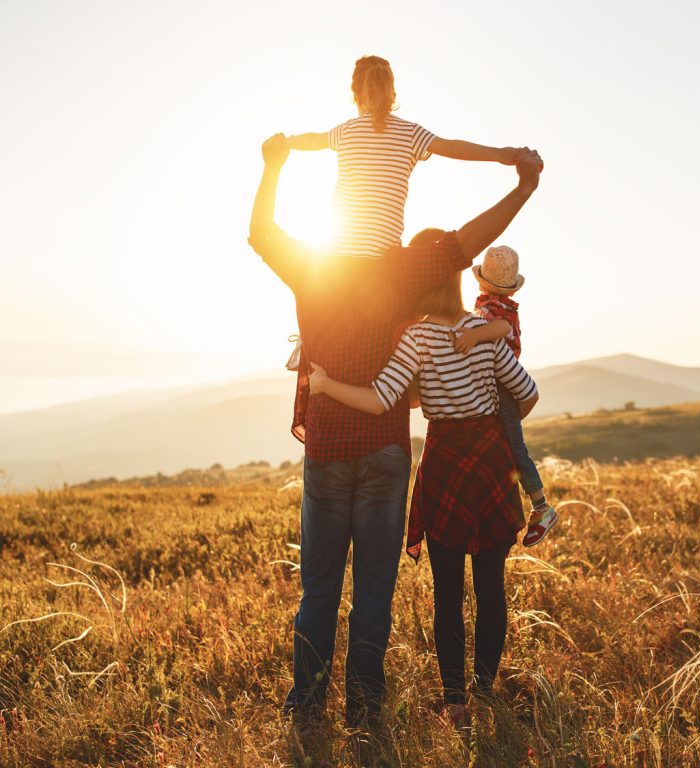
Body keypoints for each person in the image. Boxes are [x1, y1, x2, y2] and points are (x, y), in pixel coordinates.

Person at [248, 131, 542, 728]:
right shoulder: (405, 268)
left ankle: (305, 707)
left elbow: (261, 232)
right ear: (390, 198)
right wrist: (523, 185)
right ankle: (363, 708)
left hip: (327, 448)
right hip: (384, 451)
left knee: (320, 589)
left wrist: (273, 167)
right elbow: (468, 243)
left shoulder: (312, 266)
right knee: (375, 590)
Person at [308, 265, 539, 722]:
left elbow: (380, 399)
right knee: (492, 588)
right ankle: (485, 690)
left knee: (448, 591)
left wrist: (323, 384)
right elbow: (528, 392)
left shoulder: (416, 337)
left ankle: (455, 702)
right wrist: (494, 418)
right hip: (491, 462)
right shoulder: (483, 330)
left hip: (445, 464)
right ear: (457, 282)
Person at [286, 55, 527, 259]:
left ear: (356, 94)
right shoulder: (411, 133)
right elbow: (452, 147)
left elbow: (313, 139)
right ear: (392, 92)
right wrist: (500, 154)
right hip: (383, 257)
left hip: (336, 253)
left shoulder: (346, 130)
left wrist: (286, 142)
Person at [452, 245, 558, 546]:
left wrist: (473, 335)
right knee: (502, 445)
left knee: (514, 447)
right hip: (497, 384)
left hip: (503, 385)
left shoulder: (497, 310)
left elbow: (499, 329)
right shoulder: (496, 303)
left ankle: (541, 507)